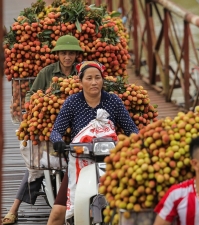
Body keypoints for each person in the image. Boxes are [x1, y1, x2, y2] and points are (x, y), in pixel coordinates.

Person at [2, 35, 83, 225]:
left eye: (71, 53)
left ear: (76, 55)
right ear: (58, 55)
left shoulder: (81, 72)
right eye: (64, 53)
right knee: (36, 165)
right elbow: (31, 93)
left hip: (75, 128)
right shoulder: (47, 72)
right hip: (49, 127)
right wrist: (38, 101)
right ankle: (13, 209)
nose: (67, 57)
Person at [46, 61, 139, 225]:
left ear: (103, 80)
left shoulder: (114, 101)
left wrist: (136, 142)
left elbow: (132, 129)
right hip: (79, 163)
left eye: (98, 77)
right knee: (57, 215)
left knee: (131, 206)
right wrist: (58, 142)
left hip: (110, 162)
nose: (94, 82)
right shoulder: (72, 102)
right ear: (80, 81)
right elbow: (56, 131)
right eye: (89, 78)